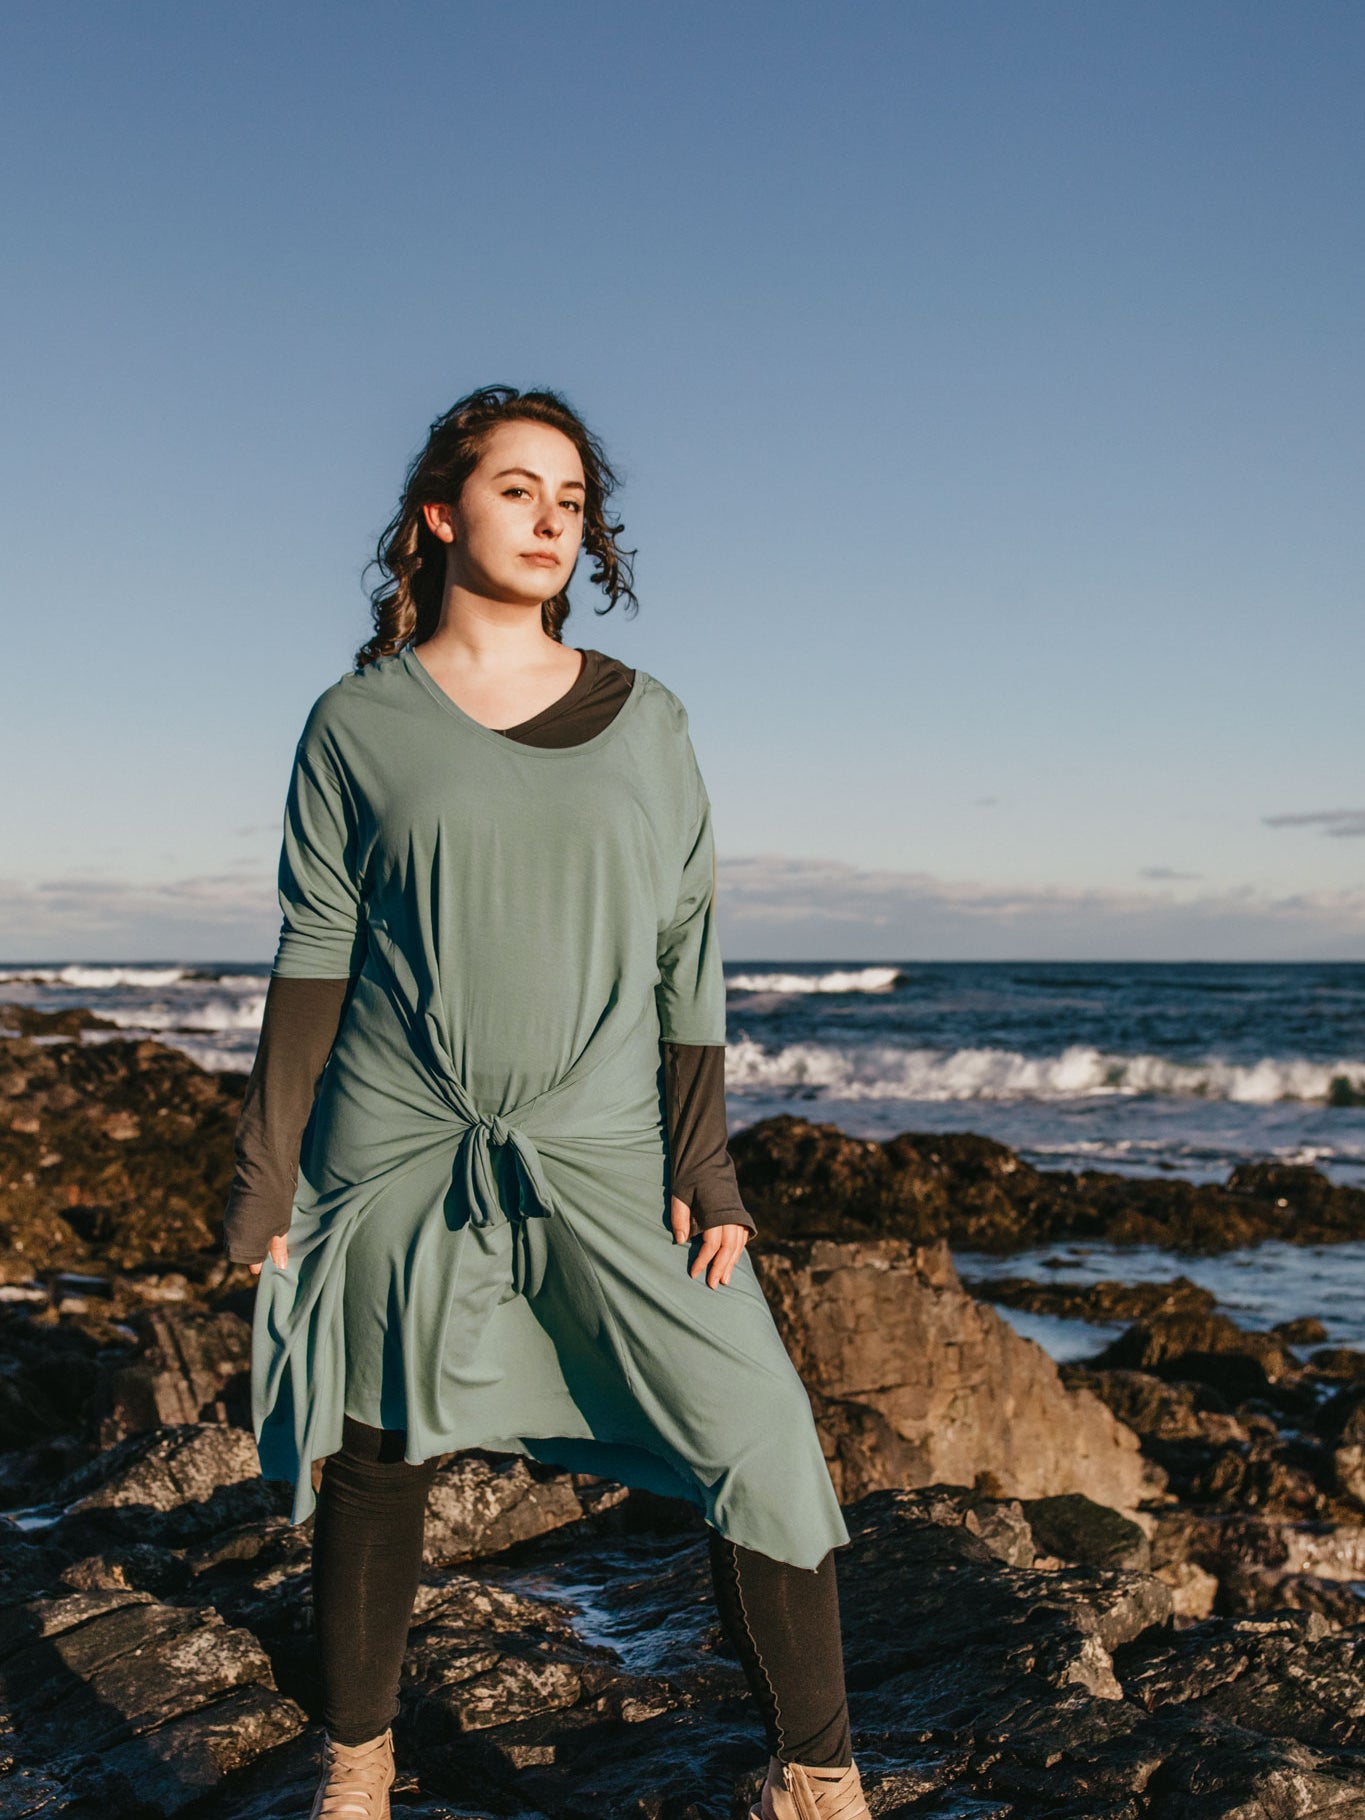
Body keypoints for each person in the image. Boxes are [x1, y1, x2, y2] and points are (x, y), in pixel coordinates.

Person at [222, 386, 869, 1820]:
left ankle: (817, 1787)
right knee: (376, 1436)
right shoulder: (355, 724)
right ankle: (357, 1774)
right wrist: (267, 1172)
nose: (550, 521)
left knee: (755, 1427)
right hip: (398, 1131)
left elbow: (685, 949)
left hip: (601, 1139)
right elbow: (314, 949)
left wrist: (708, 1169)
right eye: (518, 491)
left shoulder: (650, 722)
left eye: (570, 501)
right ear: (439, 516)